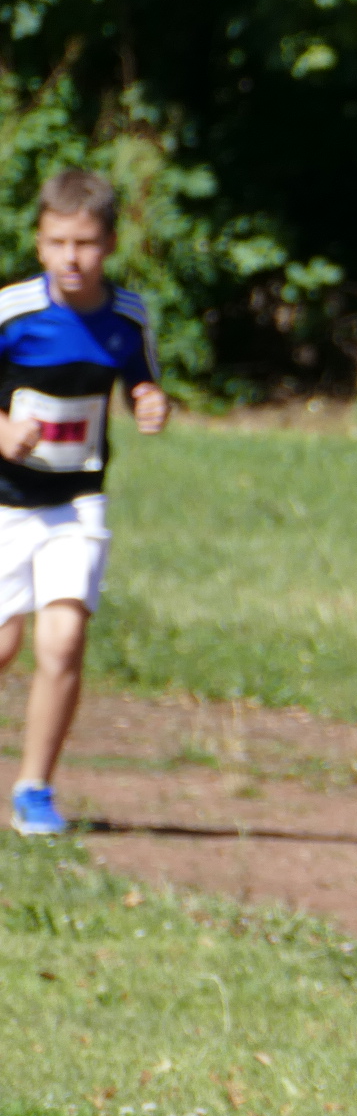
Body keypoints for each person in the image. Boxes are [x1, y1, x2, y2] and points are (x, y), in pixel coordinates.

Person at [0, 169, 171, 837]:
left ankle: (34, 790)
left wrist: (150, 403)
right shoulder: (12, 312)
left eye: (86, 243)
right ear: (39, 242)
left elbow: (141, 382)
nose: (71, 258)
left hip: (76, 504)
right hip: (6, 505)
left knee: (64, 639)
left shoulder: (128, 316)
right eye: (57, 242)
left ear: (111, 243)